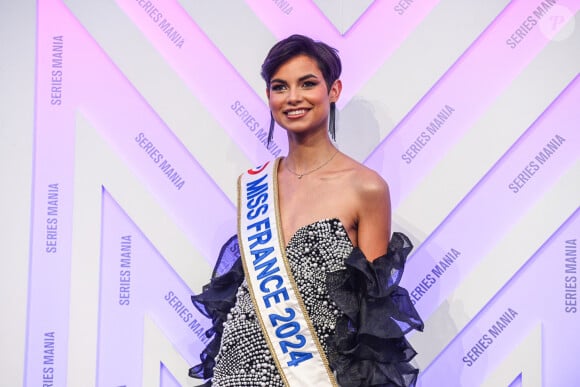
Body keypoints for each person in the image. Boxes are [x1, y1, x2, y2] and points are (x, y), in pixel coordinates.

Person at [189, 34, 423, 387]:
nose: (293, 97)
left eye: (308, 83)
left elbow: (370, 320)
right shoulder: (255, 184)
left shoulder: (367, 188)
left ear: (333, 90)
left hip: (314, 375)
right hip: (236, 375)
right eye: (280, 87)